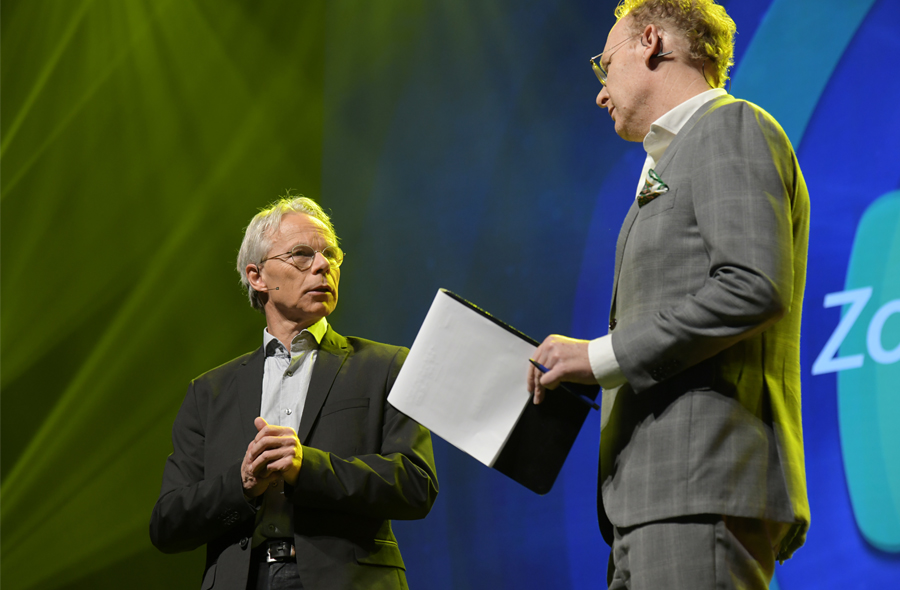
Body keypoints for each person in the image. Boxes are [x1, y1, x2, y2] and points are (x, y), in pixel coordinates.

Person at [526, 1, 810, 588]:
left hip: (700, 484)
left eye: (605, 67)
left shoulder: (730, 128)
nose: (601, 93)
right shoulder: (674, 160)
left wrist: (599, 355)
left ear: (650, 41)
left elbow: (753, 286)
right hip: (650, 500)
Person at [150, 195, 439, 590]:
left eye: (332, 256)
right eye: (302, 254)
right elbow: (168, 523)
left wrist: (309, 468)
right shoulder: (209, 392)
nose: (323, 266)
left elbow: (416, 484)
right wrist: (242, 485)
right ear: (257, 276)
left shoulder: (386, 366)